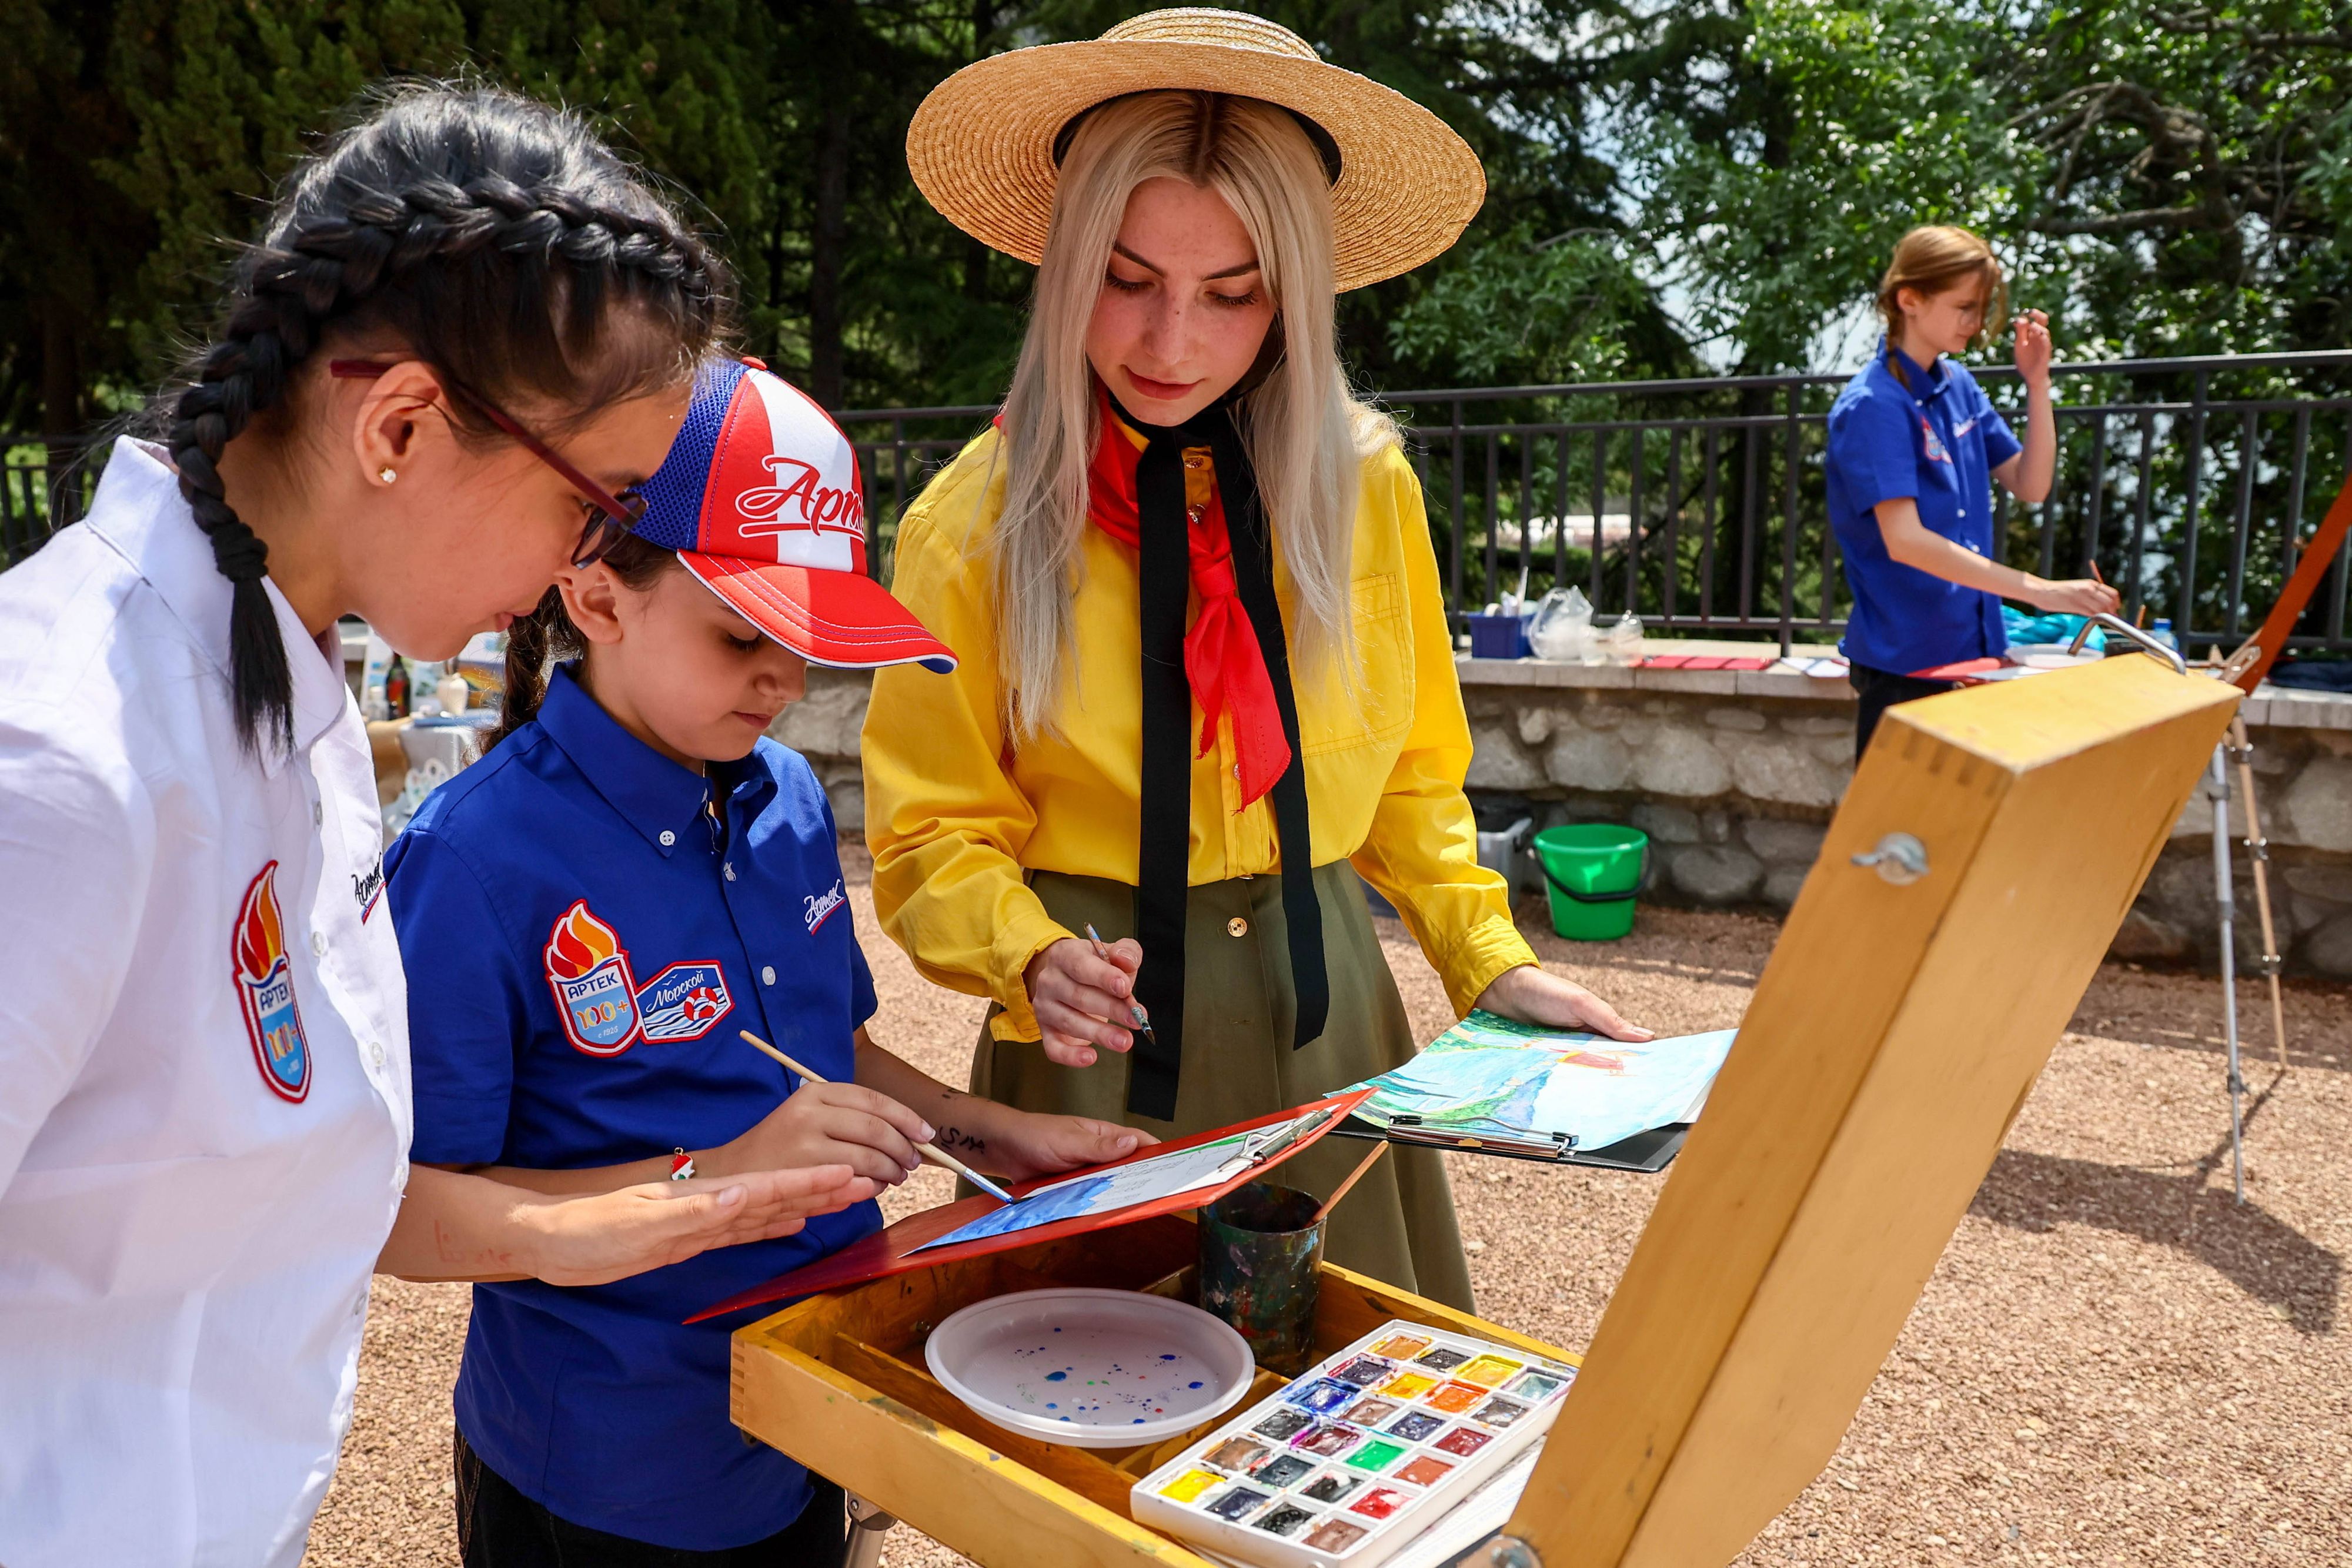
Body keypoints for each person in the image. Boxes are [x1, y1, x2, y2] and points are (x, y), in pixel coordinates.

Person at [0, 87, 871, 1567]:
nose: (574, 576)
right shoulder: (59, 760)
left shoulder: (279, 708)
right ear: (400, 424)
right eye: (595, 505)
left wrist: (681, 1199)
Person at [861, 10, 1651, 1313]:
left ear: (1294, 296)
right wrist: (1025, 952)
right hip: (1093, 1031)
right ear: (1063, 269)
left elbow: (1407, 774)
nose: (1171, 342)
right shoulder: (972, 521)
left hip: (1324, 1005)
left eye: (1230, 294)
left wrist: (1488, 958)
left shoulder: (1363, 482)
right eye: (1127, 279)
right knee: (1085, 1427)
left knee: (1346, 1419)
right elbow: (928, 834)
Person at [387, 356, 1152, 1566]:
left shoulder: (786, 795)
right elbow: (406, 1214)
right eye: (744, 631)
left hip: (814, 1399)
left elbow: (826, 1049)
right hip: (610, 1458)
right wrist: (718, 1173)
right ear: (594, 597)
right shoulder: (477, 859)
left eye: (809, 635)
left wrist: (972, 1124)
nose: (786, 680)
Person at [1826, 225, 2120, 758]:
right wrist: (2040, 589)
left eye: (1981, 307)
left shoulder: (1958, 385)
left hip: (1973, 653)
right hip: (1905, 666)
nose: (1977, 323)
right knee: (1898, 838)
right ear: (1909, 299)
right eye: (1965, 306)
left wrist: (2037, 383)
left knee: (1959, 839)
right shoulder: (1874, 405)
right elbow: (1906, 542)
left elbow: (2031, 484)